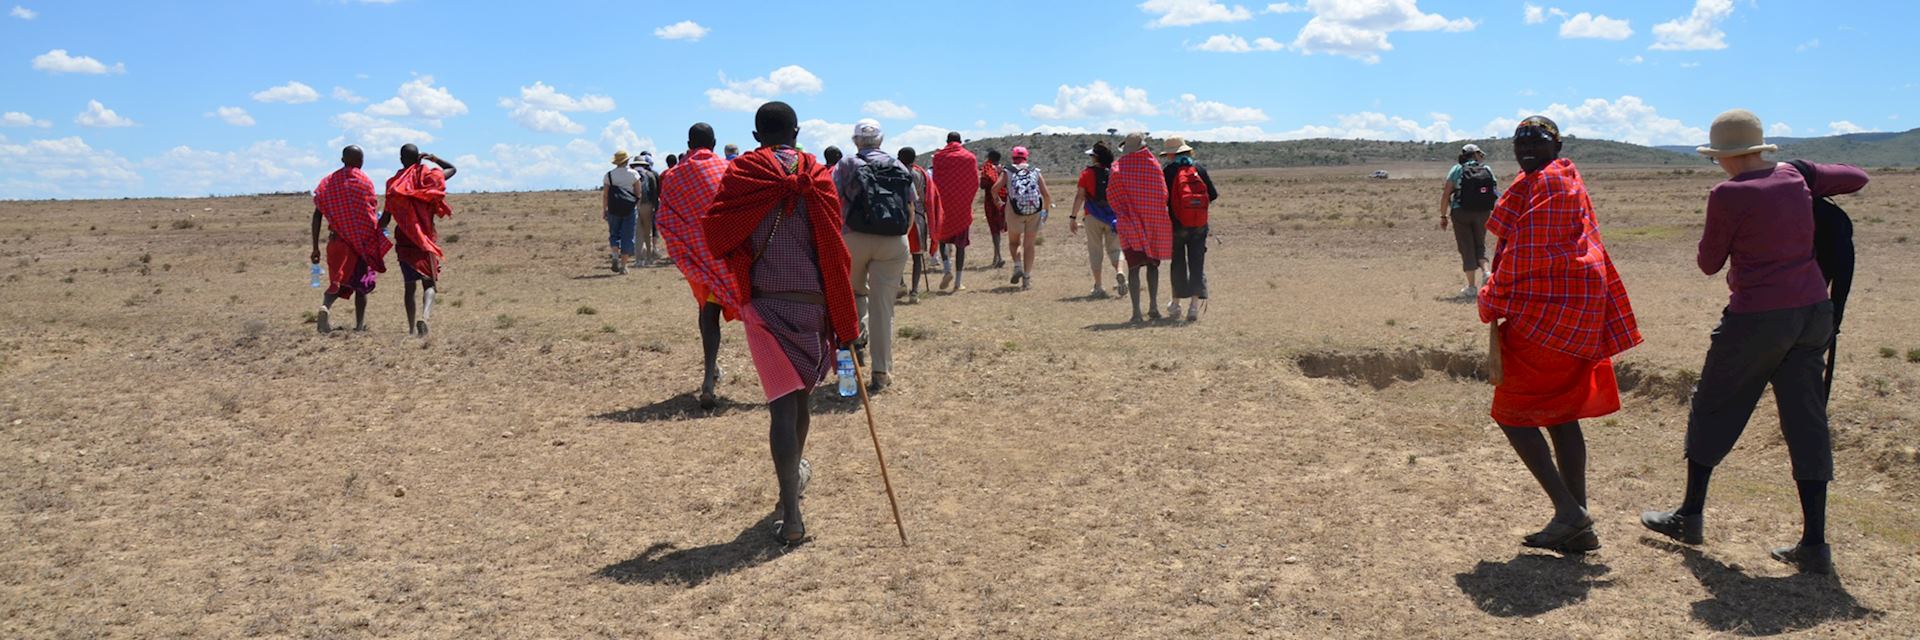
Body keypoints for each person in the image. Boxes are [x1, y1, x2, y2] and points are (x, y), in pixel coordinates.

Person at [1641, 109, 1869, 575]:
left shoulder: (1727, 193)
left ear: (1724, 156)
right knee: (1806, 421)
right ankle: (1814, 544)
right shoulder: (1795, 177)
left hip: (1758, 318)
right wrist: (1803, 174)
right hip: (1814, 314)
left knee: (1714, 406)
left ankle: (1690, 515)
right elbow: (1857, 176)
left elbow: (1708, 263)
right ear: (1759, 149)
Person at [1479, 115, 1641, 554]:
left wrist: (1491, 296)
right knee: (1561, 414)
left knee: (1513, 414)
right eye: (1521, 140)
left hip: (1543, 319)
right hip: (1575, 315)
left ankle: (1569, 512)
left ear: (1557, 144)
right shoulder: (1562, 180)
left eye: (1537, 139)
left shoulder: (1548, 185)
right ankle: (1579, 525)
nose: (1527, 146)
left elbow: (1527, 255)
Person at [702, 101, 859, 546]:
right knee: (800, 398)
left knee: (781, 405)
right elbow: (833, 247)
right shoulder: (817, 175)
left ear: (756, 136)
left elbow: (718, 235)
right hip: (812, 305)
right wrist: (843, 314)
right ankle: (794, 487)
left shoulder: (744, 173)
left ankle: (791, 514)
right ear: (797, 131)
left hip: (766, 307)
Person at [657, 123, 737, 409]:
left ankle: (708, 377)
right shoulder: (729, 169)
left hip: (696, 256)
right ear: (714, 143)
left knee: (707, 311)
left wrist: (689, 245)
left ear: (688, 142)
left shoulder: (672, 175)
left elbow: (665, 218)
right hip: (727, 256)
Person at [833, 119, 914, 393]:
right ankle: (881, 372)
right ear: (881, 140)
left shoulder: (845, 165)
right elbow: (910, 206)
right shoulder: (899, 165)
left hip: (853, 238)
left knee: (851, 298)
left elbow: (833, 200)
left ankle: (850, 367)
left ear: (856, 141)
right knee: (883, 307)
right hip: (893, 240)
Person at [309, 145, 392, 333]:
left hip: (336, 243)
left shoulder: (327, 183)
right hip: (360, 244)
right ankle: (360, 325)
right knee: (361, 284)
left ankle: (325, 307)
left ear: (342, 160)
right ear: (361, 161)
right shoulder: (364, 181)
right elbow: (371, 212)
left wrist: (315, 247)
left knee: (337, 282)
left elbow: (317, 215)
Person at [378, 143, 456, 337]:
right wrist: (434, 158)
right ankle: (425, 316)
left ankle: (412, 328)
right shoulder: (429, 177)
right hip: (425, 238)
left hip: (404, 237)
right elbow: (452, 169)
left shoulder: (394, 184)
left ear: (401, 159)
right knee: (429, 283)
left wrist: (374, 232)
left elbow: (386, 218)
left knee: (409, 285)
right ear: (418, 157)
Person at [1107, 133, 1173, 323]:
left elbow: (1112, 195)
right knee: (1153, 265)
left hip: (1129, 223)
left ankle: (1136, 313)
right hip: (1152, 222)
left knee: (1134, 267)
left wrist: (1124, 212)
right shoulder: (1153, 165)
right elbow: (1163, 193)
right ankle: (1153, 307)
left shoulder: (1118, 167)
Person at [1161, 137, 1218, 321]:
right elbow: (1213, 194)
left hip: (1177, 225)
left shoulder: (1168, 171)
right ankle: (1193, 307)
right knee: (1197, 262)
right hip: (1199, 225)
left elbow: (1163, 198)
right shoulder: (1199, 168)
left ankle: (1176, 304)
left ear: (1171, 153)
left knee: (1177, 262)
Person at [1441, 143, 1499, 299]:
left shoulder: (1456, 169)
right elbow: (1495, 192)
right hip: (1483, 212)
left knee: (1466, 246)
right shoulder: (1487, 170)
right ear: (1476, 155)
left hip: (1461, 211)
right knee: (1480, 243)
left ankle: (1472, 287)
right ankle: (1486, 272)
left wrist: (1443, 216)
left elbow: (1446, 194)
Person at [990, 146, 1052, 291]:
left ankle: (1017, 265)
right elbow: (1047, 195)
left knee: (1014, 242)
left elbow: (994, 189)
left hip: (1014, 211)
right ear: (1026, 157)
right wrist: (1045, 211)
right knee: (1029, 245)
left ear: (1013, 157)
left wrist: (999, 202)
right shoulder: (1034, 171)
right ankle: (1027, 278)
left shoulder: (1008, 171)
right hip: (1034, 211)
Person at [1072, 142, 1125, 298]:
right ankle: (1121, 272)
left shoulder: (1086, 174)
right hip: (1113, 217)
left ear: (1096, 158)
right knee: (1115, 249)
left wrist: (1073, 217)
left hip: (1092, 216)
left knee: (1095, 251)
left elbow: (1080, 196)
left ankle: (1099, 286)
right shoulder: (1116, 172)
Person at [931, 132, 978, 292]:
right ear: (960, 141)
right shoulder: (969, 158)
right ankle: (958, 282)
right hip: (961, 208)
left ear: (947, 141)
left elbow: (935, 183)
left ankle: (946, 269)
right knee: (960, 246)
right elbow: (974, 182)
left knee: (942, 240)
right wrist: (967, 201)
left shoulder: (938, 158)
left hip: (943, 207)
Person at [899, 146, 942, 303]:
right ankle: (915, 292)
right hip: (917, 217)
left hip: (898, 218)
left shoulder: (893, 172)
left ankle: (901, 284)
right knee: (917, 256)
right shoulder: (920, 174)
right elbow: (925, 197)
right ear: (914, 159)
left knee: (896, 254)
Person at [602, 151, 642, 274]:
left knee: (614, 233)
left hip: (613, 209)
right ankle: (624, 266)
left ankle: (615, 255)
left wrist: (605, 209)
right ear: (627, 161)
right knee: (628, 236)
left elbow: (605, 195)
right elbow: (638, 194)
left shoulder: (609, 175)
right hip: (629, 209)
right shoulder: (634, 174)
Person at [979, 150, 1009, 268]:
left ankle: (998, 256)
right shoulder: (1004, 169)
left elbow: (982, 185)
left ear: (990, 157)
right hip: (1003, 201)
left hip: (991, 202)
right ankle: (996, 257)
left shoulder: (987, 169)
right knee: (1001, 227)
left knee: (994, 230)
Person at [633, 152, 663, 265]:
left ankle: (638, 259)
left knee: (638, 233)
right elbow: (654, 192)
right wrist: (656, 207)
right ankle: (649, 258)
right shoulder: (650, 175)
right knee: (648, 232)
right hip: (648, 205)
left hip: (635, 205)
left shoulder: (632, 174)